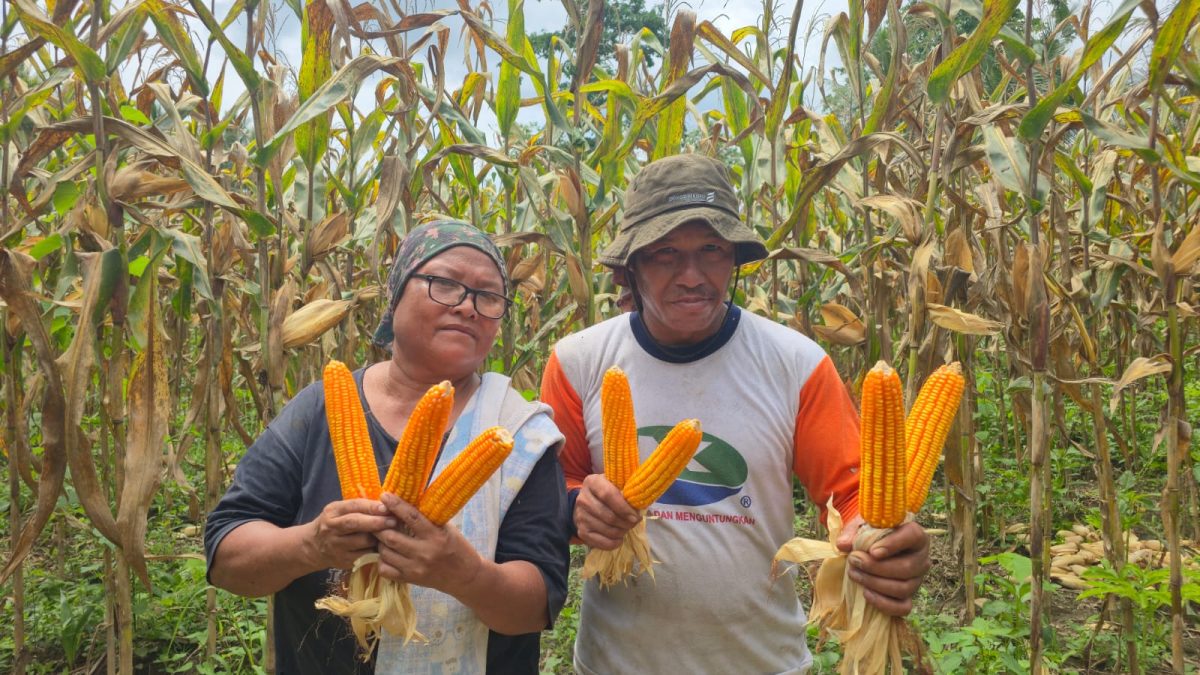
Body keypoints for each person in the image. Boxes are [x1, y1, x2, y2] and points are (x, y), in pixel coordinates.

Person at [540, 154, 932, 674]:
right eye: (664, 254)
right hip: (616, 662)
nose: (692, 276)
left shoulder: (796, 363)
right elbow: (555, 489)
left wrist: (883, 539)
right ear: (629, 267)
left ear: (734, 258)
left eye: (711, 251)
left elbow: (852, 491)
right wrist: (578, 510)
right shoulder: (577, 361)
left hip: (762, 660)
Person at [204, 220, 570, 674]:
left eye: (488, 296)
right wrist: (311, 544)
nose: (468, 307)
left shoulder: (518, 433)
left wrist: (466, 575)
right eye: (444, 283)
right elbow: (225, 560)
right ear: (395, 296)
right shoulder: (319, 409)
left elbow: (537, 606)